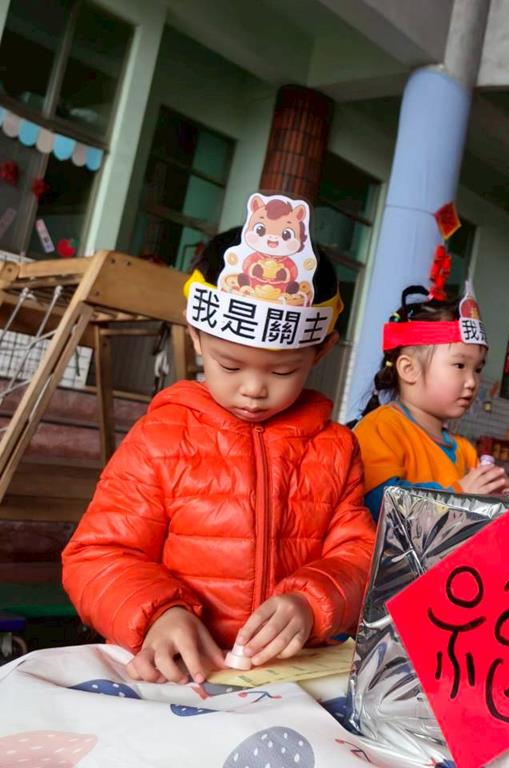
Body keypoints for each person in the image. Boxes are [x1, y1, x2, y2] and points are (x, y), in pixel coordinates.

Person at [62, 193, 376, 685]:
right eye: (229, 365)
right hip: (179, 674)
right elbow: (96, 555)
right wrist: (158, 613)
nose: (253, 388)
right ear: (197, 336)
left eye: (282, 371)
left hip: (286, 677)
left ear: (321, 351)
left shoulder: (334, 448)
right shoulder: (162, 439)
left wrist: (313, 601)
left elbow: (360, 556)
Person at [354, 279, 509, 519]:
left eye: (478, 369)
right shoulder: (381, 428)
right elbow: (380, 506)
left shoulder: (466, 451)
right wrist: (460, 495)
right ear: (409, 369)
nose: (472, 381)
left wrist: (497, 499)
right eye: (460, 365)